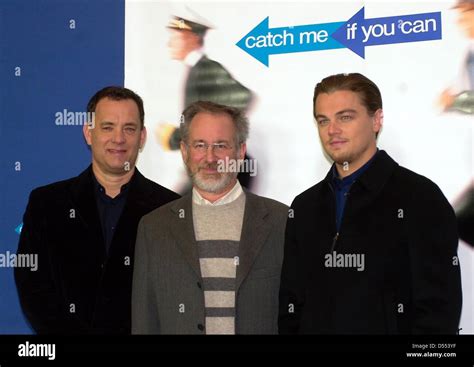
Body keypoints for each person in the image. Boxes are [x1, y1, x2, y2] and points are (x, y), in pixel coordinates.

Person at [278, 73, 462, 334]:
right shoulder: (304, 206)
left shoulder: (419, 197)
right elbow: (291, 304)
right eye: (323, 120)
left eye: (345, 117)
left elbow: (439, 310)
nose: (332, 130)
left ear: (376, 120)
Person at [15, 86, 180, 334]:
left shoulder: (171, 208)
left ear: (142, 137)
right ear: (88, 133)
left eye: (129, 128)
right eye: (107, 127)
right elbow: (33, 288)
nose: (119, 138)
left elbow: (175, 293)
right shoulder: (47, 204)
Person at [132, 101, 288, 334]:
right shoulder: (153, 227)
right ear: (185, 151)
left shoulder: (281, 221)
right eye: (200, 145)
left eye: (221, 145)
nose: (210, 157)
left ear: (240, 151)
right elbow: (144, 323)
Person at [157, 9, 255, 192]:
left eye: (176, 36)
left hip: (223, 168)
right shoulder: (196, 70)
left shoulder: (207, 69)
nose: (170, 42)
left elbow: (243, 97)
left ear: (192, 38)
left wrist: (176, 136)